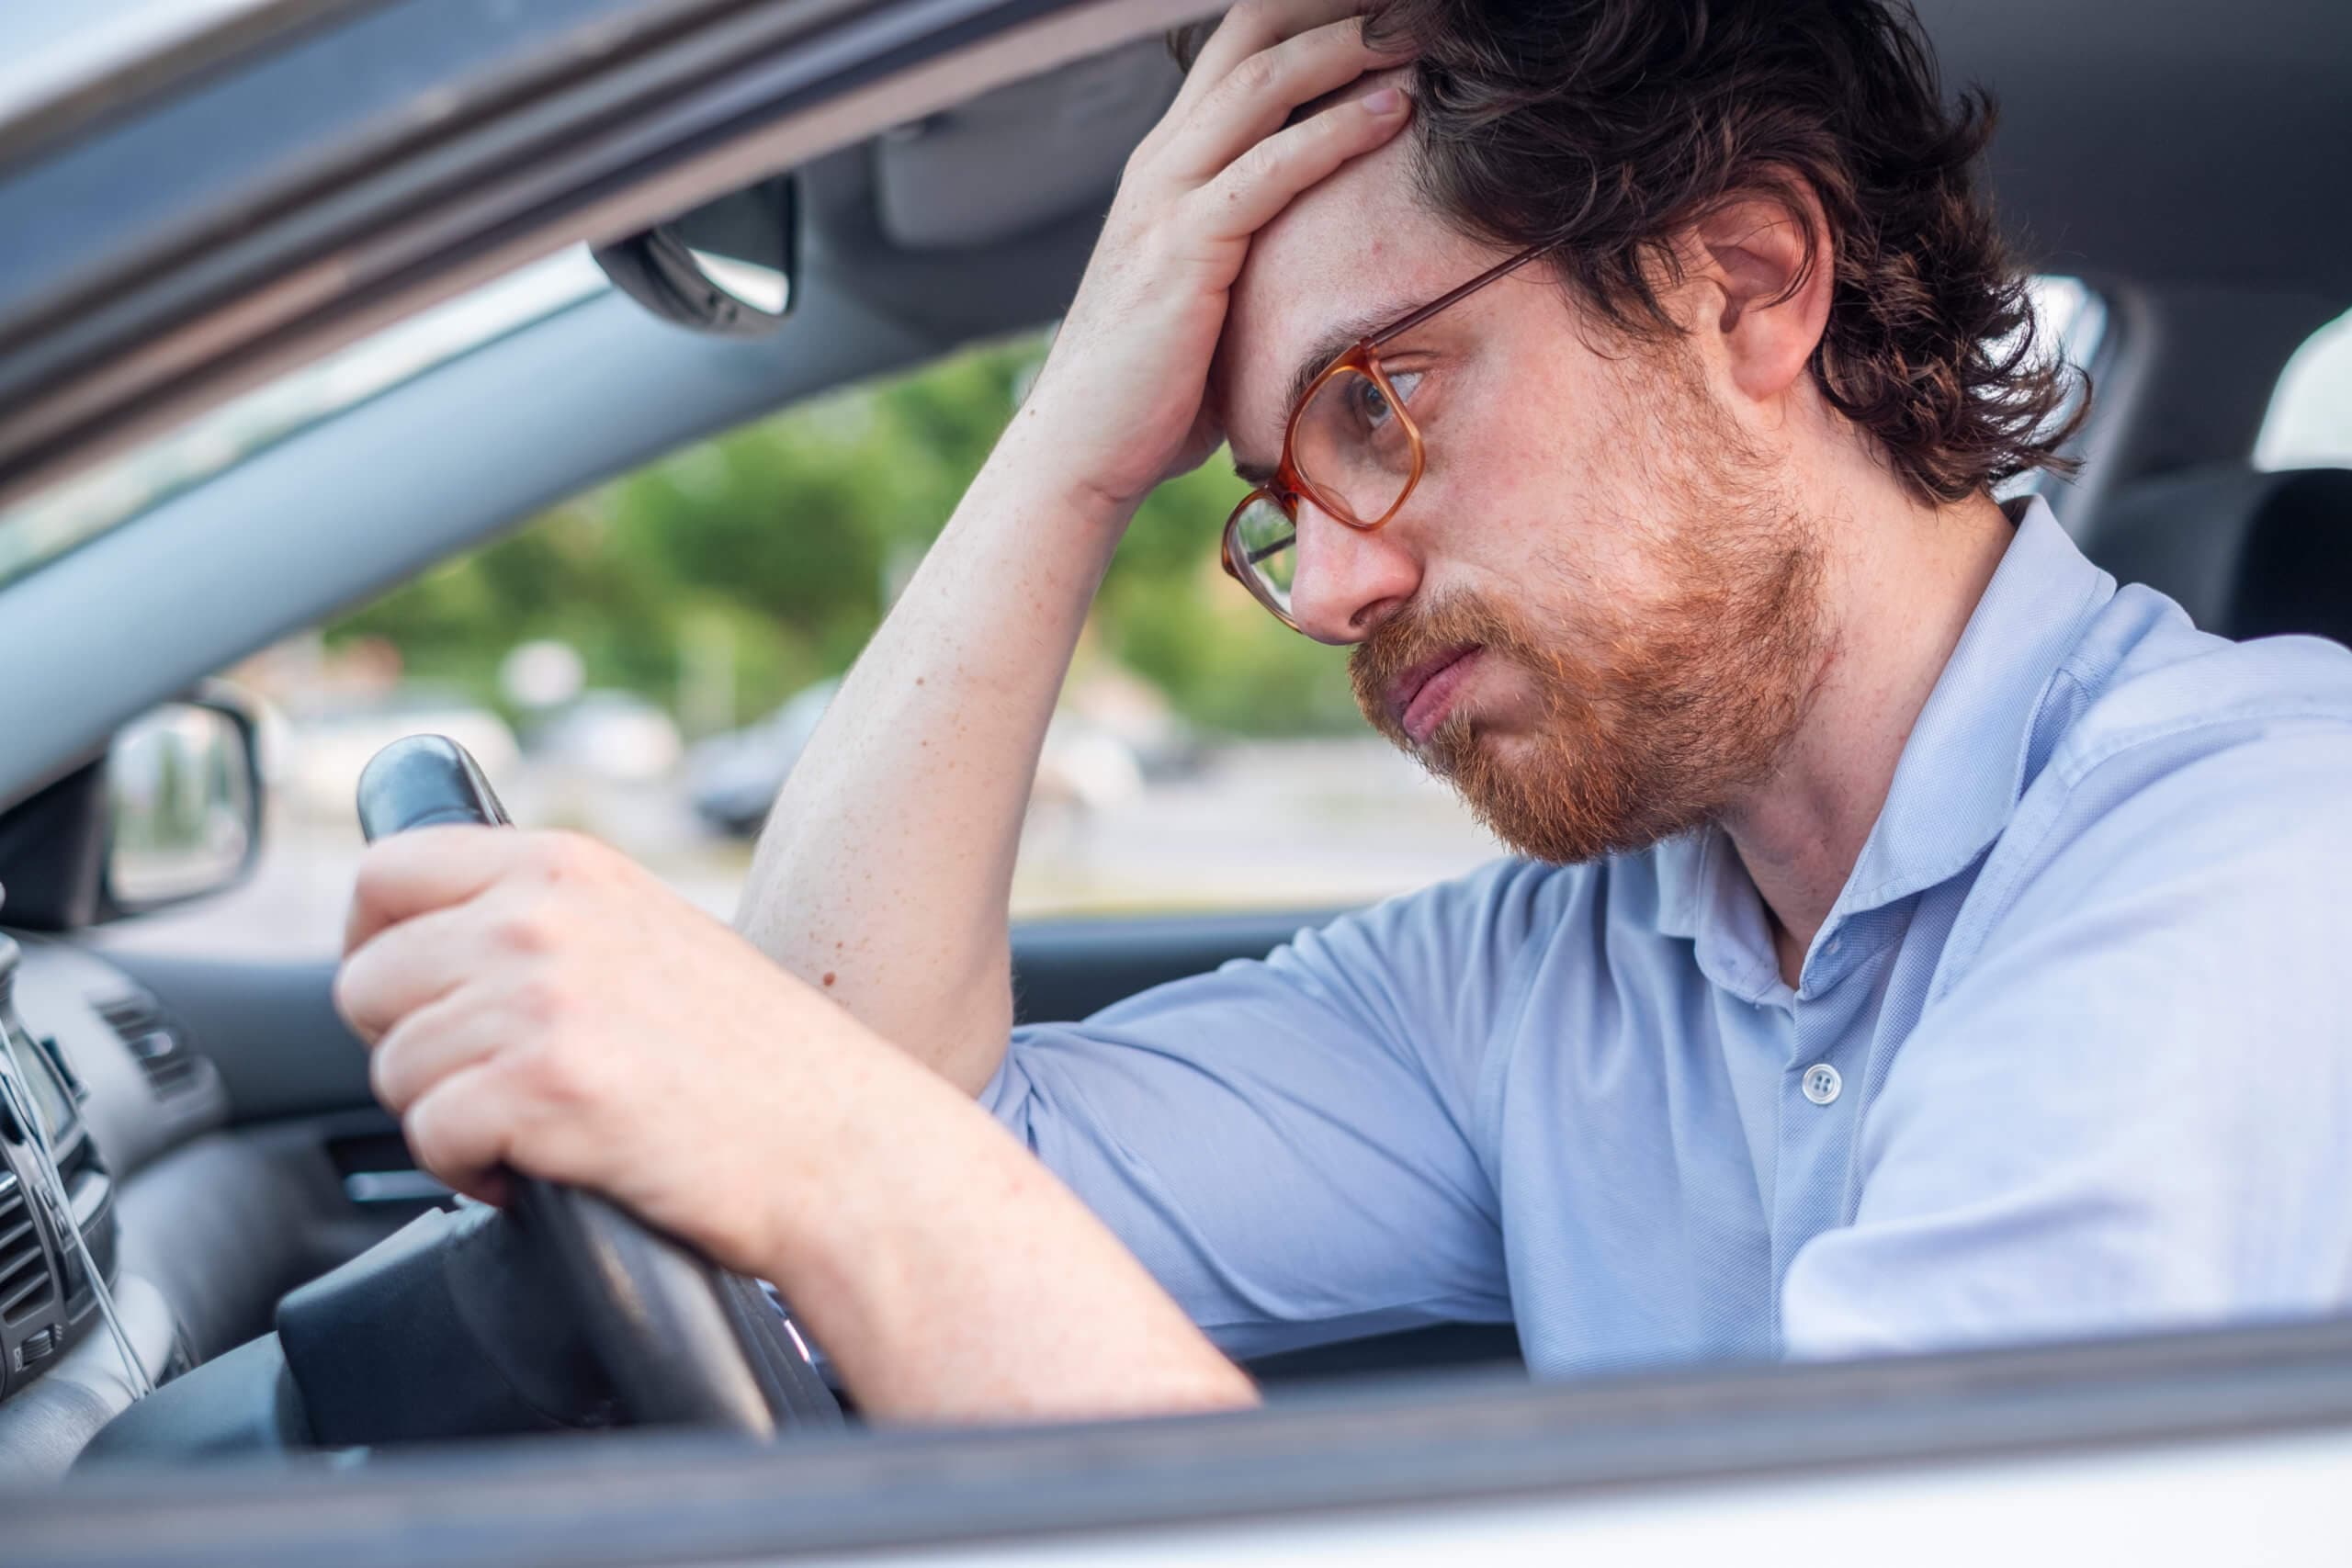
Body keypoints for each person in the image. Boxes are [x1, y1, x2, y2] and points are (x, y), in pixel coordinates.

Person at [333, 0, 2352, 1422]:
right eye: (1268, 504)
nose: (1325, 590)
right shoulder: (1554, 966)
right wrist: (1061, 455)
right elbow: (828, 1161)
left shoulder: (2249, 851)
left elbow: (856, 1162)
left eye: (1375, 407)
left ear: (1744, 281)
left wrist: (855, 1174)